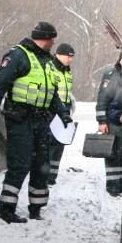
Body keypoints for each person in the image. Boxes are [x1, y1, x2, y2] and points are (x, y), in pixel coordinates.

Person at [0, 21, 72, 223]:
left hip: (41, 120)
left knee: (41, 165)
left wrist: (63, 113)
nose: (53, 42)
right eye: (52, 38)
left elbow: (51, 93)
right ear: (45, 38)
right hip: (20, 118)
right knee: (20, 163)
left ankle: (36, 207)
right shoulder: (18, 55)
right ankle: (6, 208)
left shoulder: (46, 61)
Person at [48, 42, 75, 186]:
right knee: (49, 145)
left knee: (60, 145)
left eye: (72, 57)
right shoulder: (51, 67)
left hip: (64, 111)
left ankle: (52, 176)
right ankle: (44, 175)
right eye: (68, 56)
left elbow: (67, 93)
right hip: (51, 112)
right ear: (58, 54)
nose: (70, 59)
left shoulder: (67, 71)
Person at [95, 55, 122, 196]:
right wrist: (102, 121)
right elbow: (102, 99)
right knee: (113, 153)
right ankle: (113, 186)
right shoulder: (111, 74)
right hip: (113, 120)